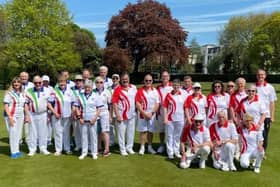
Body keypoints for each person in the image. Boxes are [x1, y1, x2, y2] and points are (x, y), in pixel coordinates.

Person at [48, 76, 76, 156]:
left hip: (67, 115)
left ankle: (67, 149)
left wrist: (73, 112)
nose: (62, 83)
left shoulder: (70, 91)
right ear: (58, 82)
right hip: (57, 116)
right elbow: (49, 104)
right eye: (60, 81)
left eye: (63, 81)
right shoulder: (54, 91)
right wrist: (55, 112)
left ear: (66, 82)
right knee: (58, 132)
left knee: (66, 133)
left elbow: (73, 103)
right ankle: (58, 150)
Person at [25, 76, 52, 156]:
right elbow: (26, 104)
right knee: (32, 132)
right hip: (32, 114)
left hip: (43, 113)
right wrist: (27, 115)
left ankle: (43, 148)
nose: (38, 84)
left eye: (39, 82)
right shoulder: (28, 91)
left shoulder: (47, 90)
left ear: (42, 82)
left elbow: (49, 103)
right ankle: (32, 149)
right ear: (33, 83)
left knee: (43, 132)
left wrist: (49, 114)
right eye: (36, 83)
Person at [3, 77, 29, 158]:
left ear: (21, 84)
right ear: (12, 84)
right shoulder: (9, 93)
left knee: (18, 134)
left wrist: (27, 115)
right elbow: (6, 106)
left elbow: (25, 105)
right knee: (13, 133)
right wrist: (10, 117)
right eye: (15, 82)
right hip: (12, 115)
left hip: (20, 115)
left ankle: (17, 150)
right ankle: (13, 152)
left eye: (18, 82)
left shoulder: (23, 93)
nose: (16, 83)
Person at [112, 73, 137, 156]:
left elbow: (137, 100)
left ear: (129, 79)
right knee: (121, 133)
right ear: (121, 80)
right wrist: (117, 115)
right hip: (121, 116)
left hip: (132, 115)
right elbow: (114, 103)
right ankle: (122, 149)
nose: (125, 80)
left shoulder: (133, 88)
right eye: (123, 79)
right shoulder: (117, 89)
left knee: (131, 132)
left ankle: (129, 148)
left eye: (126, 79)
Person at [76, 80, 102, 160]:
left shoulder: (96, 95)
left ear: (91, 88)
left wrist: (94, 118)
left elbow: (99, 108)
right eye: (86, 87)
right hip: (83, 120)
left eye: (89, 87)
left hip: (93, 120)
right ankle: (84, 152)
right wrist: (79, 118)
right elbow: (77, 108)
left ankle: (94, 153)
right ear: (84, 87)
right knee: (84, 137)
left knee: (93, 137)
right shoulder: (80, 96)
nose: (87, 89)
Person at [136, 73, 160, 155]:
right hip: (142, 114)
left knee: (150, 131)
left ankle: (149, 147)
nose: (148, 82)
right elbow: (138, 103)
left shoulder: (155, 91)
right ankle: (142, 147)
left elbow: (157, 104)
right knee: (143, 131)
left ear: (152, 81)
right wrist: (144, 113)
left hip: (152, 115)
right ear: (144, 81)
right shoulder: (140, 91)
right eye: (146, 80)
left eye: (150, 80)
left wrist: (152, 113)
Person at [163, 79, 186, 159]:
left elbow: (185, 107)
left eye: (177, 85)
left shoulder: (183, 95)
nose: (176, 87)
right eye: (174, 85)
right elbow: (165, 107)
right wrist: (165, 118)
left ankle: (176, 151)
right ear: (172, 86)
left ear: (180, 86)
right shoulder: (168, 95)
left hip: (180, 119)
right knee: (169, 136)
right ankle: (170, 152)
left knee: (177, 136)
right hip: (170, 119)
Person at [255, 69, 277, 155]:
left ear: (265, 76)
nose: (260, 76)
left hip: (266, 115)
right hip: (256, 115)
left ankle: (262, 153)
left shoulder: (270, 87)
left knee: (264, 135)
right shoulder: (253, 87)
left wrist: (272, 116)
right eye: (259, 75)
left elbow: (272, 103)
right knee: (255, 134)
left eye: (262, 75)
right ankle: (254, 151)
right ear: (256, 76)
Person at [93, 76, 112, 157]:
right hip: (96, 113)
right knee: (97, 131)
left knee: (105, 131)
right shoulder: (93, 92)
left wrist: (110, 116)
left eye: (101, 82)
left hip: (104, 113)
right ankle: (99, 147)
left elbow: (110, 105)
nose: (99, 84)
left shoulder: (107, 92)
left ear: (103, 83)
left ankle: (107, 149)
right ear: (95, 83)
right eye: (97, 82)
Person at [156, 71, 173, 154]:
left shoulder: (173, 87)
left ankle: (170, 146)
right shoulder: (158, 88)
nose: (165, 78)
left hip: (171, 113)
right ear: (161, 78)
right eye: (163, 76)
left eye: (166, 76)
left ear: (169, 77)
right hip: (161, 112)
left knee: (171, 130)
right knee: (161, 130)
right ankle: (162, 145)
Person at [19, 71, 34, 145]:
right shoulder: (17, 84)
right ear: (20, 77)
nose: (23, 78)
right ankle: (19, 140)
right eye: (22, 76)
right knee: (18, 124)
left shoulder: (32, 85)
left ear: (28, 77)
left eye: (25, 76)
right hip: (19, 107)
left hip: (28, 107)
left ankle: (28, 140)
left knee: (27, 124)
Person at [71, 74, 84, 152]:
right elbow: (71, 102)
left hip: (84, 113)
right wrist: (73, 113)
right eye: (77, 80)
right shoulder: (71, 89)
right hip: (74, 112)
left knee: (84, 130)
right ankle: (78, 145)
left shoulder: (86, 89)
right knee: (76, 130)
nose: (78, 82)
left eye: (80, 80)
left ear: (82, 81)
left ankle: (85, 145)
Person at [108, 74, 120, 147]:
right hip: (111, 111)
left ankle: (120, 143)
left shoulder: (122, 88)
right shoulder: (108, 89)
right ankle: (111, 142)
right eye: (113, 78)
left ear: (119, 79)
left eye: (116, 78)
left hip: (120, 111)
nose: (115, 79)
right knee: (111, 127)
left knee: (120, 128)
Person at [42, 75, 54, 146]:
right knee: (43, 125)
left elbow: (52, 99)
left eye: (46, 81)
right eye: (44, 81)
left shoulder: (51, 88)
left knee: (49, 125)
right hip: (42, 109)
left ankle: (49, 139)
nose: (45, 83)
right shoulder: (40, 88)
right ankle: (42, 139)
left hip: (50, 108)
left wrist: (50, 109)